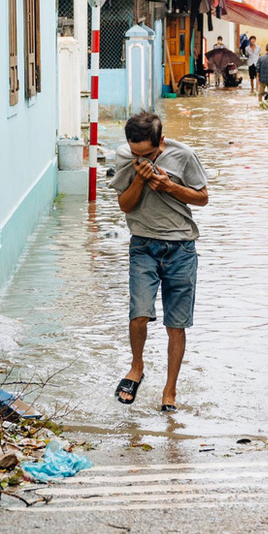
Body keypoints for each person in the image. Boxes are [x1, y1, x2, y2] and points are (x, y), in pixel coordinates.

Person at [109, 112, 208, 410]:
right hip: (143, 245)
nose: (143, 160)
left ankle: (170, 391)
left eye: (148, 155)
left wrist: (169, 187)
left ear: (160, 142)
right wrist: (139, 179)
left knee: (176, 325)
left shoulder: (184, 155)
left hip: (181, 248)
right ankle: (136, 366)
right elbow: (125, 205)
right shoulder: (126, 158)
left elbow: (202, 197)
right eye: (136, 154)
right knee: (139, 313)